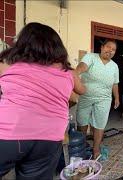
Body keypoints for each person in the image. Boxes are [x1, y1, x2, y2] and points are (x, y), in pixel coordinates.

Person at [0, 22, 86, 179]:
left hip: (9, 135)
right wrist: (75, 72)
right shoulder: (67, 72)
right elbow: (82, 91)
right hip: (49, 138)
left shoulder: (7, 63)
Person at [76, 39, 120, 159]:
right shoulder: (90, 57)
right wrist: (75, 72)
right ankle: (81, 145)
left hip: (104, 99)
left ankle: (96, 150)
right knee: (82, 121)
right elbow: (82, 66)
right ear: (102, 47)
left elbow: (115, 84)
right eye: (108, 47)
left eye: (113, 50)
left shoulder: (114, 66)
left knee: (99, 124)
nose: (110, 51)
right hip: (86, 96)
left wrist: (117, 97)